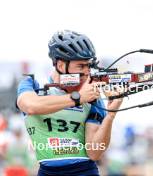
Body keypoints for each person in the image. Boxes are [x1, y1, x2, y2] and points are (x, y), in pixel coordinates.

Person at [16, 30, 123, 176]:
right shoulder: (33, 84)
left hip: (85, 171)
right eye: (80, 66)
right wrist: (77, 98)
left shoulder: (91, 94)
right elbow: (30, 106)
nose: (87, 72)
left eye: (88, 65)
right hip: (47, 172)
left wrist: (110, 115)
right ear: (61, 65)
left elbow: (94, 153)